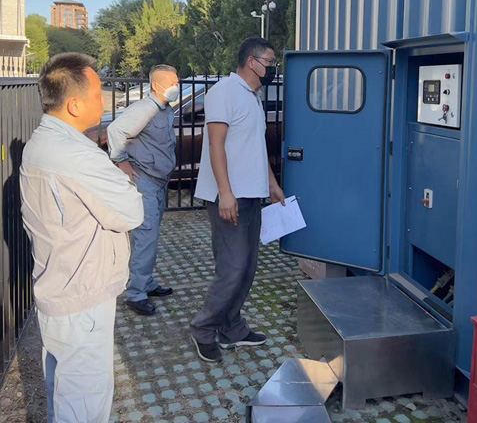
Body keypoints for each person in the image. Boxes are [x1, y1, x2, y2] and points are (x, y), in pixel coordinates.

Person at [20, 53, 144, 423]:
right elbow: (131, 211)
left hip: (59, 284)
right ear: (74, 104)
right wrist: (120, 174)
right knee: (84, 404)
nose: (103, 101)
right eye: (98, 93)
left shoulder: (41, 142)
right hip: (82, 295)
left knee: (64, 391)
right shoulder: (76, 155)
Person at [190, 36, 285, 362]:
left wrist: (271, 183)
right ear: (251, 62)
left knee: (247, 268)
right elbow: (215, 145)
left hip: (252, 194)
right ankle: (203, 328)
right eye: (269, 62)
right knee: (232, 268)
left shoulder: (254, 97)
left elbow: (255, 147)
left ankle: (231, 328)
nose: (273, 68)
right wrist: (225, 194)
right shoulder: (224, 92)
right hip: (230, 196)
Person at [107, 64, 179, 316]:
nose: (176, 86)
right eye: (171, 83)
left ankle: (146, 282)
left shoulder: (164, 109)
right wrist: (121, 161)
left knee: (150, 236)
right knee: (146, 237)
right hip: (144, 181)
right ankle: (136, 293)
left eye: (177, 82)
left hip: (157, 181)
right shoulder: (146, 108)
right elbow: (115, 130)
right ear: (156, 86)